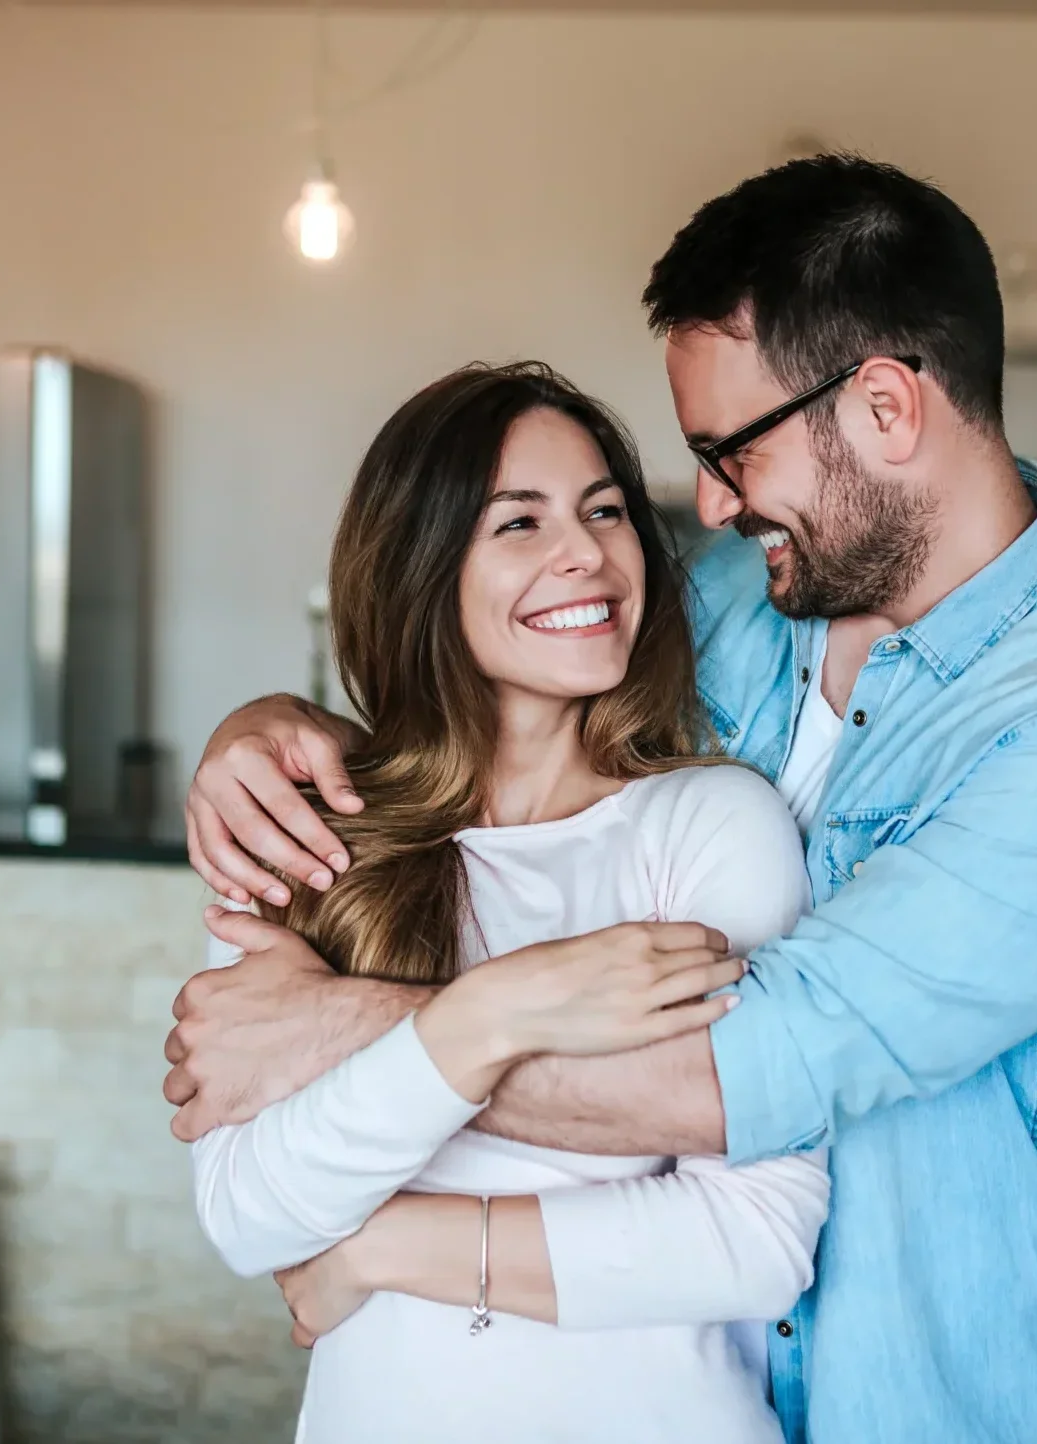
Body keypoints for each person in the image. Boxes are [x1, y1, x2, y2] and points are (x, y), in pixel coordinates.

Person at [168, 155, 1037, 1443]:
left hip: (915, 1406)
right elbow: (495, 677)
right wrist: (273, 732)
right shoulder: (743, 597)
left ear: (885, 407)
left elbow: (747, 1071)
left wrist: (338, 1030)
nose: (710, 504)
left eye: (730, 451)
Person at [190, 360, 828, 1443]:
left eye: (606, 510)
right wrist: (496, 1011)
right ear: (419, 570)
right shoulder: (312, 834)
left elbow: (757, 1240)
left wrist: (373, 1248)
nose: (586, 551)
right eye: (519, 523)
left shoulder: (710, 823)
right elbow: (249, 1212)